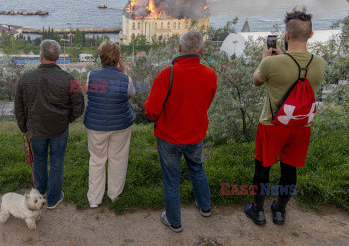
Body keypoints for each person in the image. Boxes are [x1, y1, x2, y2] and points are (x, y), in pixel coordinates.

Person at [245, 8, 326, 226]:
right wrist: (284, 58)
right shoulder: (320, 64)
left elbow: (257, 81)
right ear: (311, 35)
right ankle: (279, 210)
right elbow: (297, 72)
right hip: (300, 126)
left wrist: (265, 59)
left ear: (286, 35)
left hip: (272, 125)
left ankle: (257, 210)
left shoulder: (271, 63)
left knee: (262, 169)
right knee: (289, 170)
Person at [145, 31, 217, 233]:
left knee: (171, 179)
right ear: (201, 50)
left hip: (169, 137)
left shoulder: (167, 74)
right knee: (197, 167)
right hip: (195, 134)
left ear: (179, 48)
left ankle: (174, 221)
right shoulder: (210, 74)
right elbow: (206, 103)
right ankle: (205, 207)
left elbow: (151, 111)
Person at [14, 40, 85, 209]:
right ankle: (53, 199)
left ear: (41, 56)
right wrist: (68, 119)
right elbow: (79, 105)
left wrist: (23, 127)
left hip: (36, 128)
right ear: (58, 57)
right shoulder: (69, 79)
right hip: (59, 128)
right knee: (57, 162)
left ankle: (40, 193)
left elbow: (19, 107)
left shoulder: (25, 78)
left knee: (39, 160)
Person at [84, 41, 136, 208]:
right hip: (120, 124)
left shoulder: (91, 76)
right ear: (118, 58)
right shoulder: (125, 78)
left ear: (100, 56)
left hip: (95, 125)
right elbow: (130, 95)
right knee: (118, 159)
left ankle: (94, 199)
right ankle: (114, 195)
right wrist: (124, 72)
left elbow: (90, 93)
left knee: (97, 160)